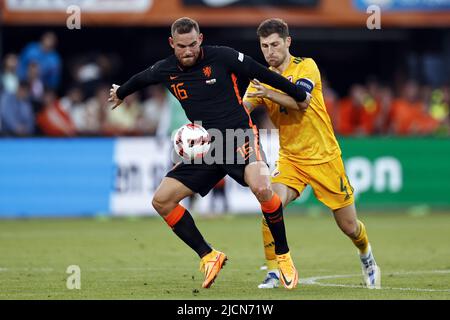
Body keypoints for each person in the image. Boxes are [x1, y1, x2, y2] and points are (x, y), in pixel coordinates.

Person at [109, 17, 310, 289]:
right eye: (182, 46)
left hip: (240, 137)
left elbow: (260, 71)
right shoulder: (165, 69)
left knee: (263, 188)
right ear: (172, 44)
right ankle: (209, 255)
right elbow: (141, 78)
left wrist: (297, 93)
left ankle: (283, 256)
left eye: (192, 44)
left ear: (200, 39)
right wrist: (121, 92)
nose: (188, 51)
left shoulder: (223, 57)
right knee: (162, 201)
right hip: (206, 147)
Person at [243, 18, 381, 289]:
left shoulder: (306, 66)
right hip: (291, 159)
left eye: (274, 45)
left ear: (288, 42)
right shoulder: (261, 79)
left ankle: (367, 256)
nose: (269, 51)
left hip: (324, 158)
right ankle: (274, 270)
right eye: (264, 46)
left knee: (349, 226)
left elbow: (301, 102)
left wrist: (268, 94)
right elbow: (243, 108)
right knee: (270, 203)